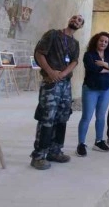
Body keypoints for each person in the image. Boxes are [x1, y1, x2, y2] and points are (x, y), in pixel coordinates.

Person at [30, 15, 83, 170]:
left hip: (65, 84)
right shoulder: (53, 34)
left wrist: (63, 74)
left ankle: (55, 151)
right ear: (69, 20)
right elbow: (39, 53)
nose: (76, 20)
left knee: (62, 116)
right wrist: (50, 71)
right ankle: (39, 155)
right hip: (51, 82)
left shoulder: (75, 43)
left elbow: (74, 61)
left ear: (80, 26)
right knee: (47, 117)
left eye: (79, 20)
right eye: (74, 18)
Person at [76, 32, 109, 156]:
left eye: (106, 42)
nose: (103, 43)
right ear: (96, 41)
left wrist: (104, 64)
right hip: (91, 89)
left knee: (101, 116)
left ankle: (99, 141)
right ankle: (81, 144)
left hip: (105, 89)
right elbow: (93, 69)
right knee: (86, 117)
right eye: (101, 40)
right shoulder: (89, 55)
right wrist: (108, 68)